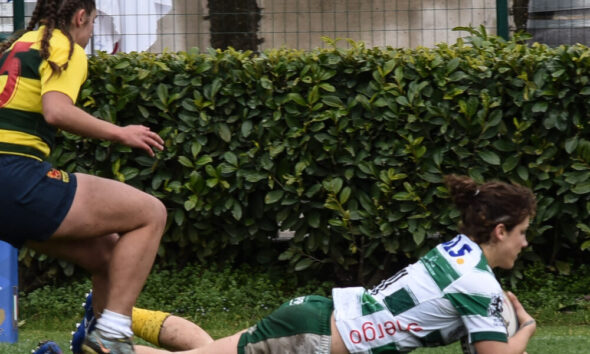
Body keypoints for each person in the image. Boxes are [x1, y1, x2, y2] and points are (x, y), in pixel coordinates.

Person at [70, 175, 538, 353]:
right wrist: (526, 329)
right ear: (499, 231)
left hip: (316, 321)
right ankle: (103, 335)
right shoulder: (478, 283)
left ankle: (112, 322)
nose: (525, 242)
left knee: (208, 351)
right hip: (312, 337)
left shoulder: (459, 251)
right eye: (522, 232)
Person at [0, 1, 167, 353]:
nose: (90, 34)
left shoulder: (19, 45)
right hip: (17, 177)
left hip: (7, 193)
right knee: (151, 212)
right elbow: (57, 110)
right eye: (92, 24)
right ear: (80, 17)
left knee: (107, 255)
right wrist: (121, 133)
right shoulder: (63, 45)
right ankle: (113, 332)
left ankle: (95, 343)